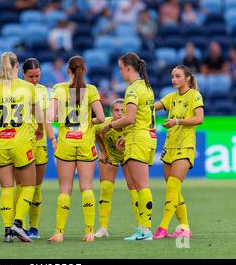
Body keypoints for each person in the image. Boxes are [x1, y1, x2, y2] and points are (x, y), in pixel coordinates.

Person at [48, 56, 105, 243]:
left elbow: (49, 116)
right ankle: (89, 232)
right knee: (86, 187)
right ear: (85, 70)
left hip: (66, 143)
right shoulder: (92, 90)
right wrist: (88, 120)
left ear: (68, 70)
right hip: (85, 143)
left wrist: (61, 117)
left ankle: (59, 232)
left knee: (65, 188)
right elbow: (102, 118)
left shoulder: (59, 89)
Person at [0, 52, 43, 243]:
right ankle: (18, 225)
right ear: (17, 65)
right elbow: (39, 116)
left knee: (6, 189)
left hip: (0, 141)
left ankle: (7, 230)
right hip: (20, 142)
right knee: (29, 185)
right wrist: (41, 130)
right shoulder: (28, 87)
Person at [100, 52, 157, 241]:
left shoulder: (132, 89)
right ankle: (142, 228)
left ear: (128, 68)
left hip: (138, 139)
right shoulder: (146, 87)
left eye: (120, 68)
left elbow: (130, 117)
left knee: (141, 186)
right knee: (139, 185)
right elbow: (142, 117)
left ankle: (146, 230)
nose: (119, 71)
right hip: (148, 137)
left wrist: (109, 125)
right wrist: (125, 135)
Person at [153, 65, 204, 239]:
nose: (174, 79)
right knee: (173, 190)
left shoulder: (194, 96)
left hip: (185, 146)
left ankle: (163, 227)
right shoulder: (171, 97)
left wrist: (176, 122)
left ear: (187, 78)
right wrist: (138, 106)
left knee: (173, 186)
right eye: (172, 76)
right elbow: (154, 107)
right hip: (169, 147)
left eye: (177, 76)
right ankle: (184, 228)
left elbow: (199, 118)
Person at [13, 58, 55, 240]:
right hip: (21, 142)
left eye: (38, 76)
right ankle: (15, 223)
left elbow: (46, 118)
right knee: (21, 186)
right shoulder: (16, 89)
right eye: (31, 76)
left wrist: (52, 138)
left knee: (36, 186)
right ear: (23, 74)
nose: (35, 80)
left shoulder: (43, 91)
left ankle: (34, 227)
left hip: (39, 144)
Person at [94, 99, 141, 238]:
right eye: (116, 110)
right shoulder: (104, 124)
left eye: (123, 110)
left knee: (134, 190)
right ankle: (103, 228)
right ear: (111, 112)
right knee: (106, 189)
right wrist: (102, 151)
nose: (120, 113)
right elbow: (96, 133)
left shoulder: (132, 124)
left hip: (128, 156)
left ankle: (141, 225)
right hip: (110, 156)